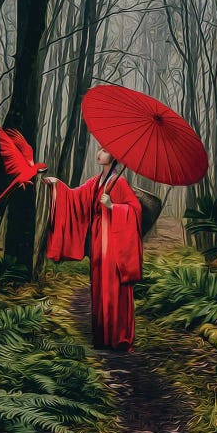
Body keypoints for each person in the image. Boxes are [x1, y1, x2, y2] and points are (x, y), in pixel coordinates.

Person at [42, 147, 143, 352]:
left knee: (114, 286)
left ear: (114, 156)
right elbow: (74, 198)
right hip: (98, 241)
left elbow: (135, 210)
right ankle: (103, 337)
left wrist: (114, 207)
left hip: (115, 243)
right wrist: (56, 185)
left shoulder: (119, 182)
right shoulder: (95, 182)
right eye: (99, 148)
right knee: (99, 284)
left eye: (105, 150)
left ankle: (119, 338)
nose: (99, 153)